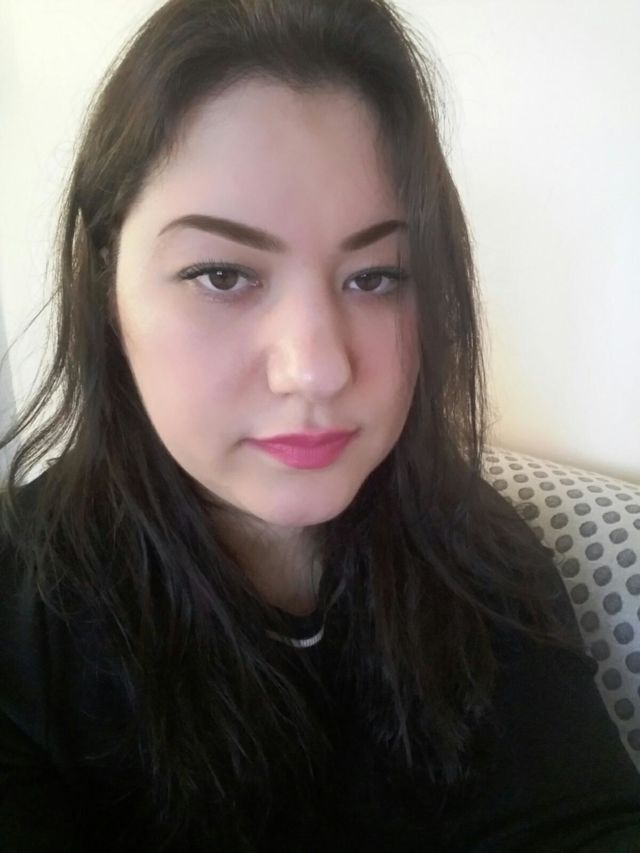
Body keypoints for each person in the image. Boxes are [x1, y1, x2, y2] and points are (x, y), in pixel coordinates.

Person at [1, 0, 639, 850]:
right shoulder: (24, 615)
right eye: (222, 273)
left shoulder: (482, 558)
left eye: (377, 276)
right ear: (105, 287)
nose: (317, 368)